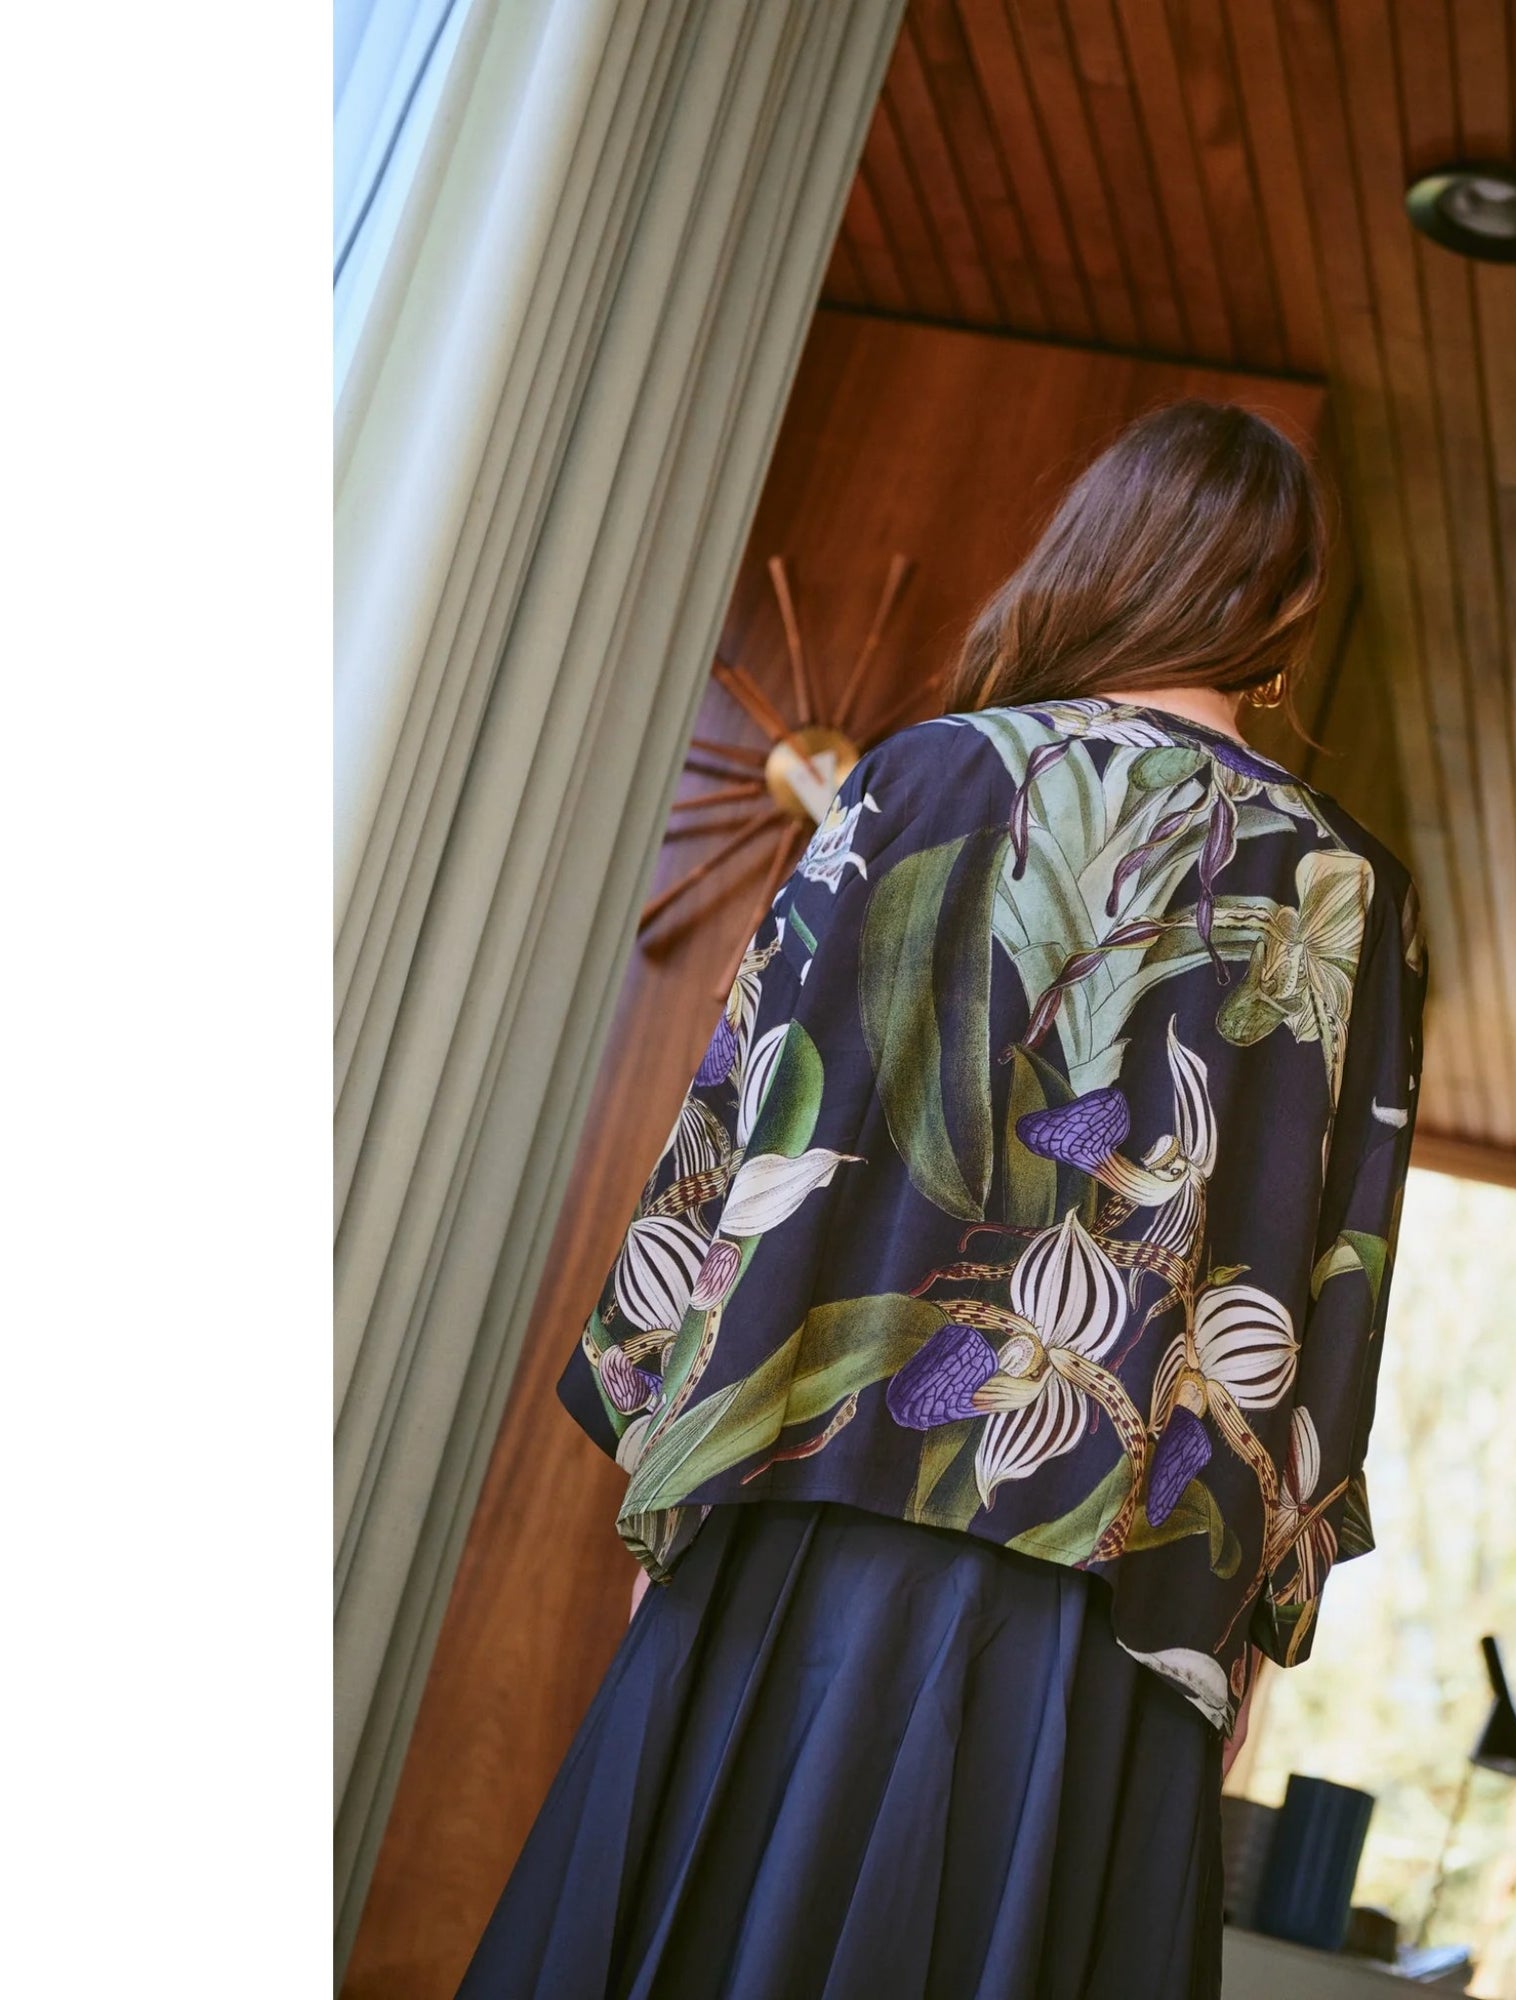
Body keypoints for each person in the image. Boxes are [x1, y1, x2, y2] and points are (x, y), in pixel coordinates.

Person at [455, 400, 1427, 2000]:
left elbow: (746, 1123)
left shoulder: (921, 779)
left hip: (807, 1522)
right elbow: (1340, 1282)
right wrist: (1253, 1603)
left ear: (1100, 557)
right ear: (1287, 612)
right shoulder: (1349, 892)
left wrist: (676, 1449)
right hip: (1113, 1588)